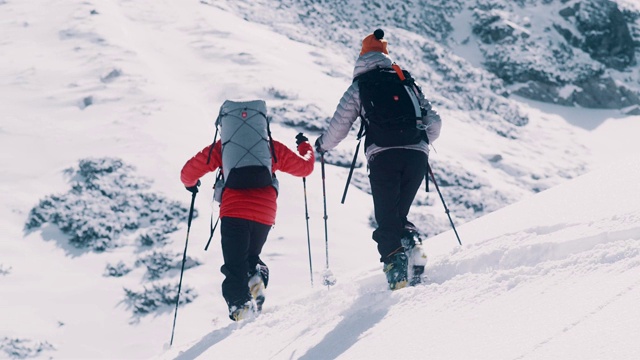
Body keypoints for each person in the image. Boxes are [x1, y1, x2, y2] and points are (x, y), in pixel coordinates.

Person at [314, 29, 442, 290]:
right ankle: (413, 245)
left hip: (384, 156)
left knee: (386, 218)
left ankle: (397, 276)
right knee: (397, 214)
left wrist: (322, 146)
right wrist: (419, 141)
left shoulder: (360, 86)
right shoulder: (405, 81)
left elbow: (339, 127)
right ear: (385, 54)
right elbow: (435, 122)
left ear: (361, 57)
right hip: (417, 154)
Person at [181, 130, 314, 320]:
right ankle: (255, 276)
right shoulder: (270, 146)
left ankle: (243, 317)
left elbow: (188, 173)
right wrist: (304, 146)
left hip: (234, 212)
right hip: (264, 214)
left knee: (235, 267)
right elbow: (305, 168)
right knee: (250, 257)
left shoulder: (224, 146)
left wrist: (191, 185)